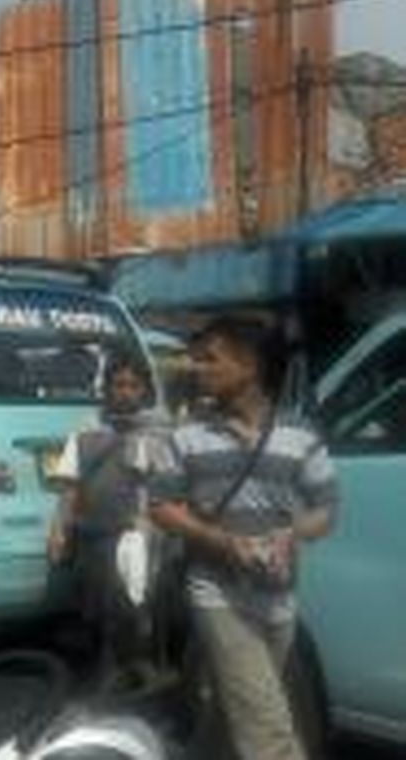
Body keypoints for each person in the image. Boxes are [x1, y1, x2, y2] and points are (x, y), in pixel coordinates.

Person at [149, 317, 337, 760]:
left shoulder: (301, 436)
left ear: (249, 365)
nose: (197, 368)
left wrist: (291, 534)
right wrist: (222, 541)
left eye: (209, 359)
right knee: (267, 725)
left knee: (235, 706)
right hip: (218, 594)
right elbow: (160, 507)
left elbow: (326, 510)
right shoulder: (186, 437)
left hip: (278, 595)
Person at [48, 351, 164, 687]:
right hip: (90, 535)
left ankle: (131, 668)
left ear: (144, 391)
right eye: (119, 384)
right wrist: (58, 531)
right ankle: (101, 674)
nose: (125, 391)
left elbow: (156, 489)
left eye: (133, 385)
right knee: (93, 608)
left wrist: (148, 529)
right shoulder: (85, 432)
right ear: (107, 389)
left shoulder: (155, 435)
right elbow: (69, 486)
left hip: (132, 537)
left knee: (132, 606)